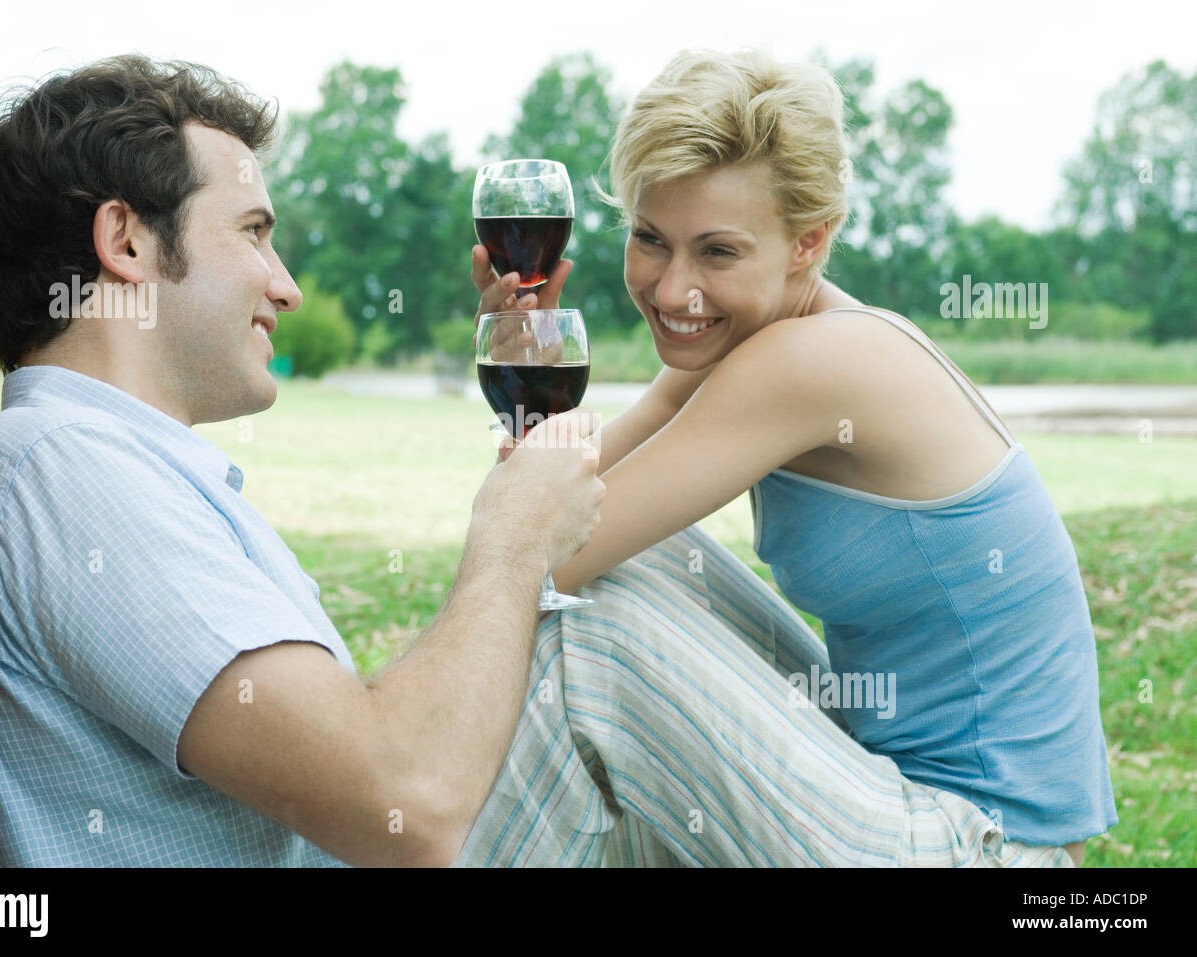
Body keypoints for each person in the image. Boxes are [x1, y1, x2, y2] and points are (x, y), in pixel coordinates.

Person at [463, 48, 1117, 866]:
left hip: (982, 849)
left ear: (809, 242)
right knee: (631, 557)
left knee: (600, 625)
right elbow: (552, 508)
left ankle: (416, 812)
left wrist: (521, 547)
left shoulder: (808, 364)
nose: (673, 290)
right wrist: (534, 361)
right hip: (889, 798)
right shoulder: (768, 345)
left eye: (718, 252)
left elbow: (544, 557)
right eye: (650, 239)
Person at [0, 54, 605, 867]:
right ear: (124, 240)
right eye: (254, 233)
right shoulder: (68, 475)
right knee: (614, 646)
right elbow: (407, 801)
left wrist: (527, 492)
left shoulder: (98, 465)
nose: (287, 286)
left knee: (614, 627)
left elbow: (367, 752)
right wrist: (514, 540)